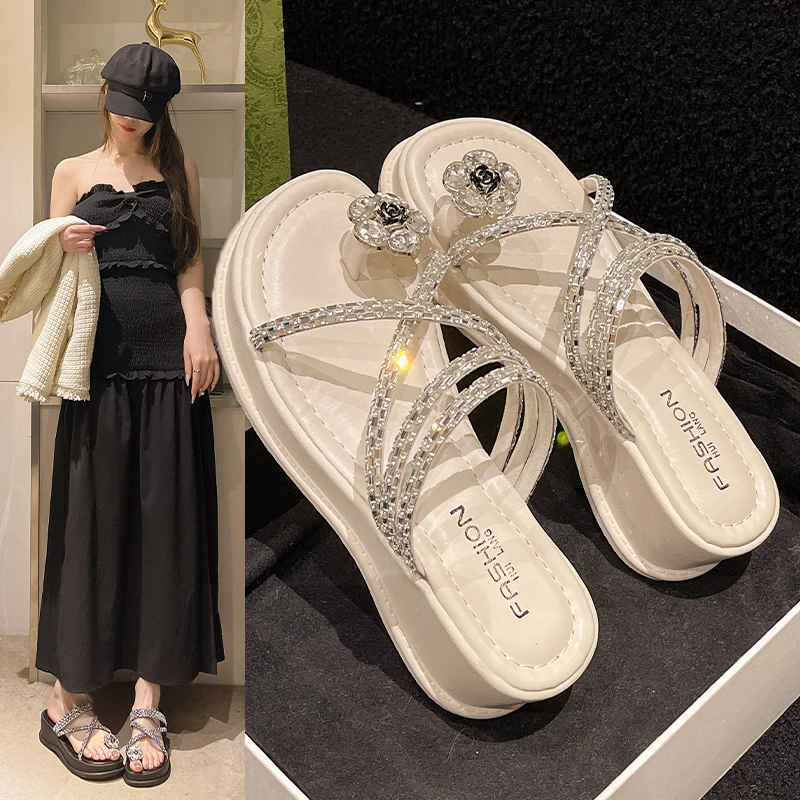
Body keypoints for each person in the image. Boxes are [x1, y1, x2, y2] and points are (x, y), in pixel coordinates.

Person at [35, 42, 224, 787]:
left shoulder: (180, 171)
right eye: (120, 105)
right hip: (96, 365)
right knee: (91, 523)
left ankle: (148, 701)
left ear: (161, 112)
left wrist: (199, 326)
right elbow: (42, 271)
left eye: (143, 111)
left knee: (164, 527)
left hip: (169, 364)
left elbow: (188, 260)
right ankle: (66, 699)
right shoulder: (70, 172)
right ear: (104, 95)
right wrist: (61, 241)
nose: (129, 120)